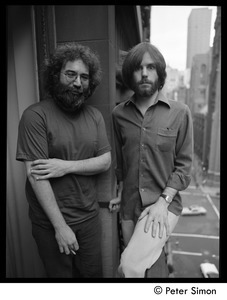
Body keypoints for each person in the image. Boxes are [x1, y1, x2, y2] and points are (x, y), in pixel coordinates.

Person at [16, 43, 111, 278]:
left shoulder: (95, 116)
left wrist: (64, 166)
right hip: (51, 224)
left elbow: (105, 161)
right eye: (70, 74)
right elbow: (36, 175)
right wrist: (60, 227)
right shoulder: (35, 115)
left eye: (84, 77)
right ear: (56, 74)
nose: (78, 83)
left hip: (89, 220)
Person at [109, 42, 193, 278]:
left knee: (131, 267)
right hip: (129, 205)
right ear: (130, 74)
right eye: (138, 68)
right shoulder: (118, 115)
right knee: (145, 266)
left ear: (160, 73)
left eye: (151, 67)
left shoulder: (180, 112)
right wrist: (120, 189)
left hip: (163, 206)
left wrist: (162, 203)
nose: (145, 73)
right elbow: (122, 163)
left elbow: (185, 168)